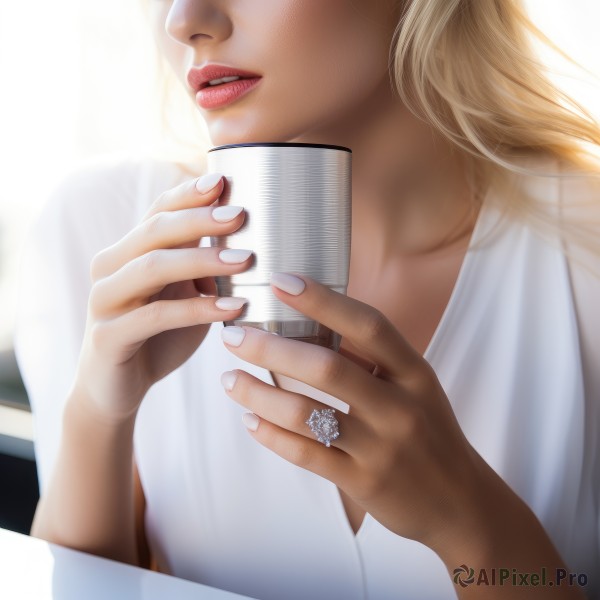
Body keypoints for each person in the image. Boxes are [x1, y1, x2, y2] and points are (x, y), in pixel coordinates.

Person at [13, 1, 600, 598]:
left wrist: (474, 525)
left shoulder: (588, 254)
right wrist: (98, 415)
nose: (184, 18)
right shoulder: (105, 229)